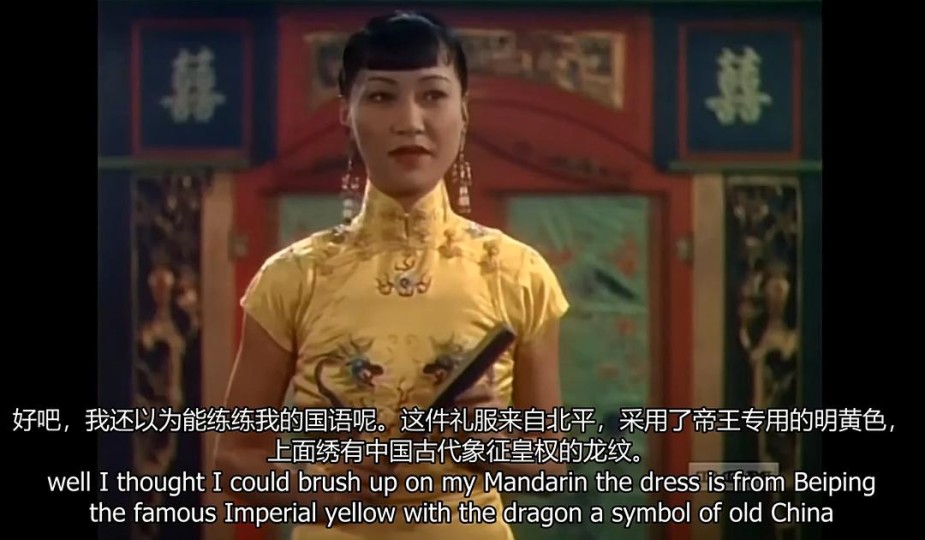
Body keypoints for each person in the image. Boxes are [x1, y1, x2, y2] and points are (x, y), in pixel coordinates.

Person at [215, 11, 570, 540]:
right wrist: (321, 493)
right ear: (346, 112)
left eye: (433, 95)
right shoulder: (293, 276)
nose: (409, 120)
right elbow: (235, 457)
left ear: (464, 111)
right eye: (382, 96)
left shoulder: (518, 273)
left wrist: (493, 445)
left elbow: (552, 469)